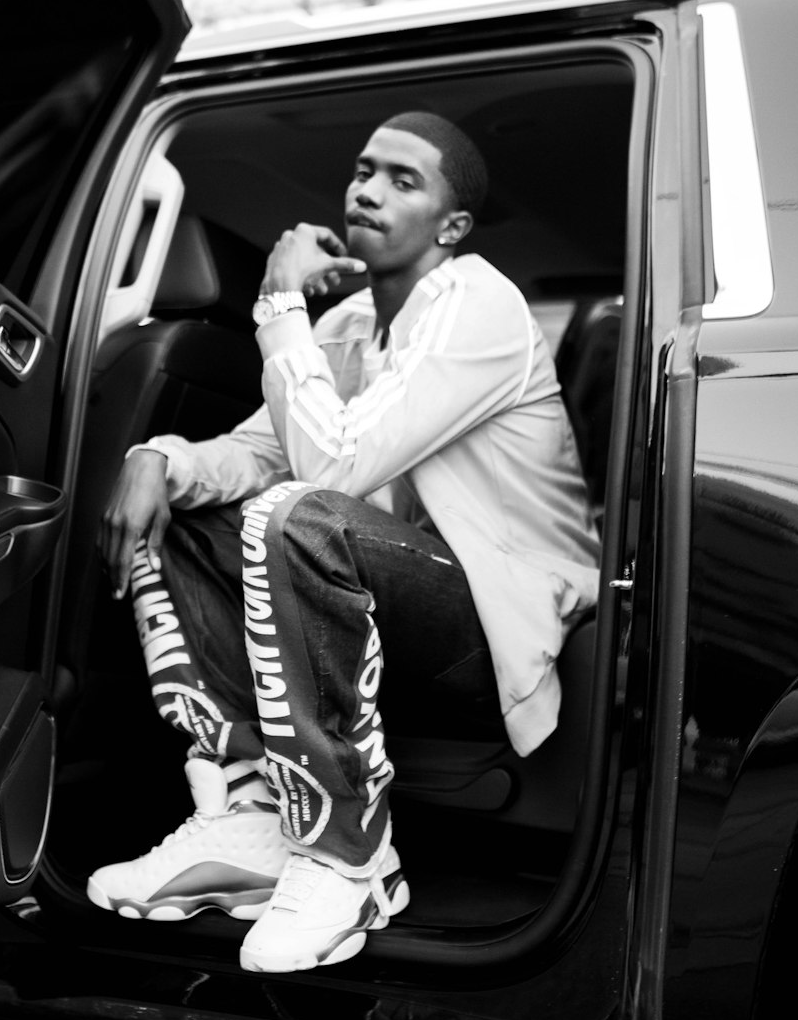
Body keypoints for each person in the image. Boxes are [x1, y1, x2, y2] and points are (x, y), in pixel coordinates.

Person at [88, 110, 600, 974]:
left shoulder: (481, 304)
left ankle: (350, 856)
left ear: (452, 226)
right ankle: (249, 818)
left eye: (404, 180)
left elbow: (330, 467)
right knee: (182, 516)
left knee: (298, 514)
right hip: (379, 606)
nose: (367, 189)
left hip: (496, 624)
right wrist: (157, 458)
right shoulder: (352, 322)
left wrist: (279, 301)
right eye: (364, 170)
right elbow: (256, 452)